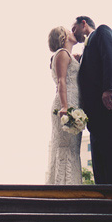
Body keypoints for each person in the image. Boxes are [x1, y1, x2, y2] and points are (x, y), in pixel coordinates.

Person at [72, 16, 112, 185]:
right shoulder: (85, 51)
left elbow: (111, 57)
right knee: (99, 160)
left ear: (83, 24)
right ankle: (103, 195)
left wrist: (109, 89)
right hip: (95, 114)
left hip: (110, 104)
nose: (73, 32)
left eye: (73, 28)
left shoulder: (102, 32)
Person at [46, 26, 82, 184]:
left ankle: (71, 184)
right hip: (66, 105)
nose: (72, 32)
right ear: (63, 36)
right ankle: (63, 186)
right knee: (65, 147)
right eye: (69, 30)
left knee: (72, 149)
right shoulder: (61, 54)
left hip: (73, 102)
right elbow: (62, 80)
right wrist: (65, 107)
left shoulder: (67, 55)